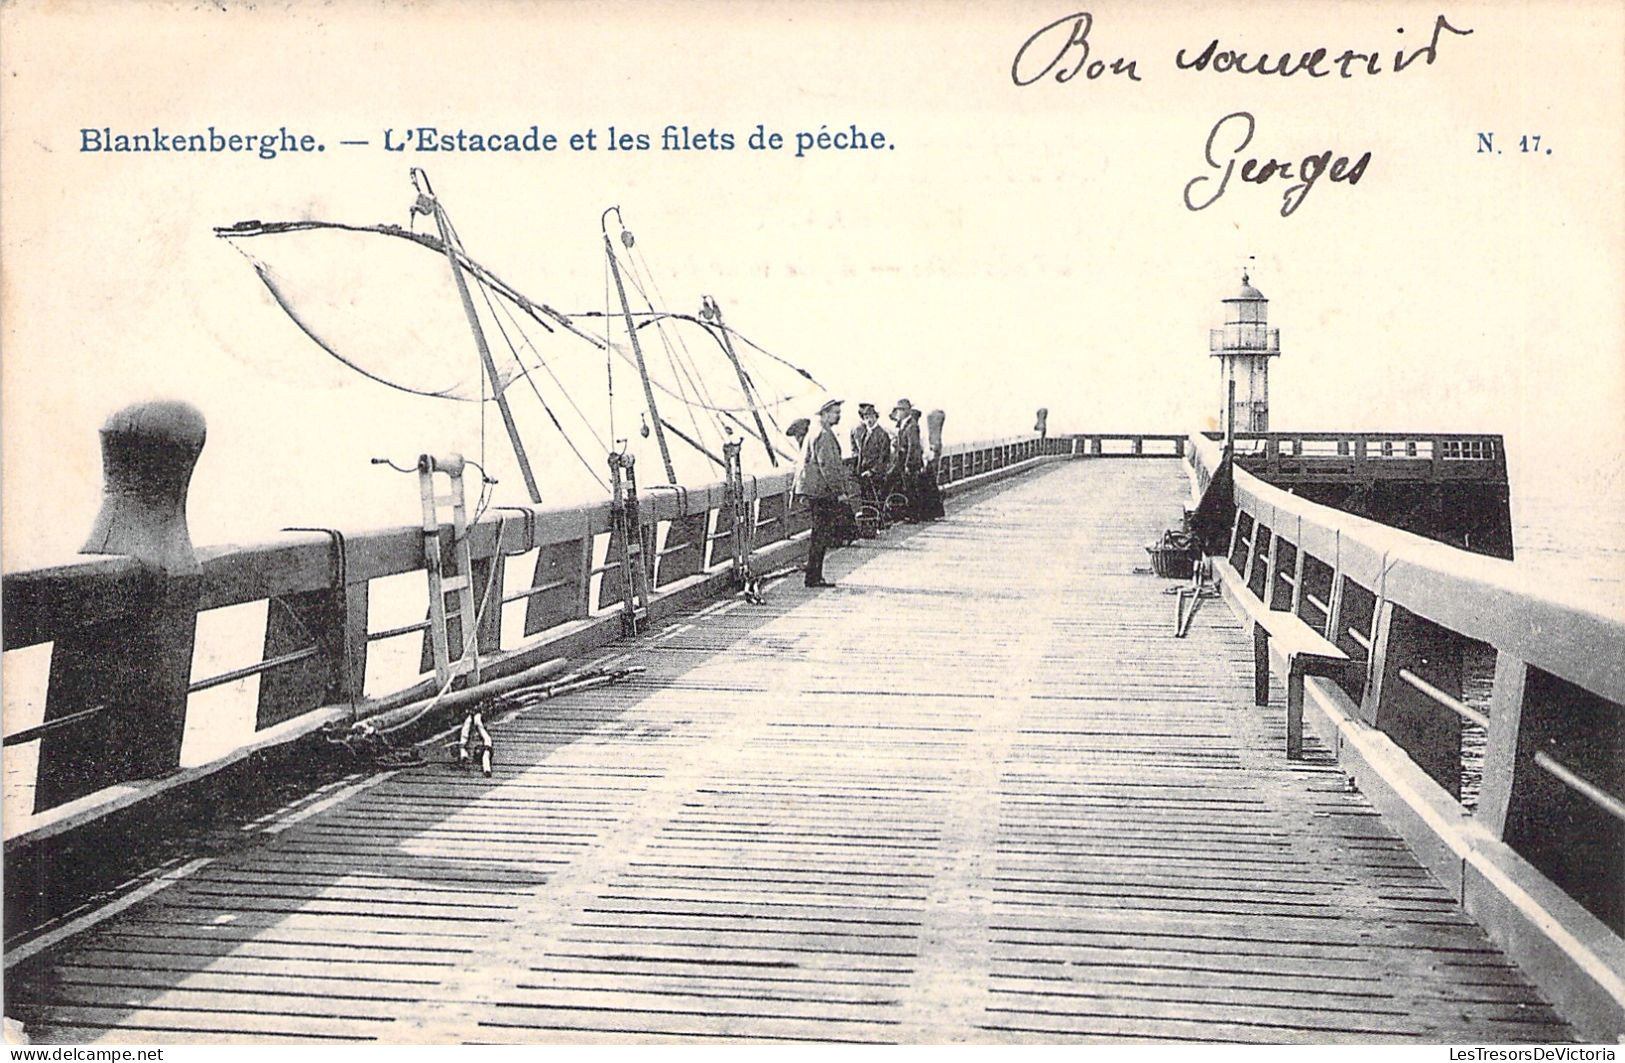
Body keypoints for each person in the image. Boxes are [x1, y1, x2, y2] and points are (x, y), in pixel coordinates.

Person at [792, 398, 849, 587]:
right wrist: (839, 491)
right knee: (821, 534)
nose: (838, 416)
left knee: (819, 533)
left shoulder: (815, 432)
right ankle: (813, 577)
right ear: (824, 414)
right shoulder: (823, 434)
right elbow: (827, 466)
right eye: (835, 413)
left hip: (814, 490)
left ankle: (813, 575)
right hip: (821, 492)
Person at [850, 402, 892, 530]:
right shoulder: (864, 434)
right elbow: (860, 454)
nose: (869, 420)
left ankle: (879, 523)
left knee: (876, 499)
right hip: (863, 473)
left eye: (871, 417)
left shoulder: (882, 434)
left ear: (876, 417)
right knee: (866, 499)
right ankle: (869, 527)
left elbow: (884, 457)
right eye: (866, 417)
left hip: (876, 474)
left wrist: (873, 471)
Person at [887, 399, 923, 523]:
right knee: (906, 487)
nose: (898, 413)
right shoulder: (905, 424)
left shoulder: (912, 425)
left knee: (910, 488)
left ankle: (913, 516)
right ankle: (908, 514)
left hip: (907, 462)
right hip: (901, 461)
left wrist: (908, 464)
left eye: (900, 410)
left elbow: (913, 446)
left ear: (906, 411)